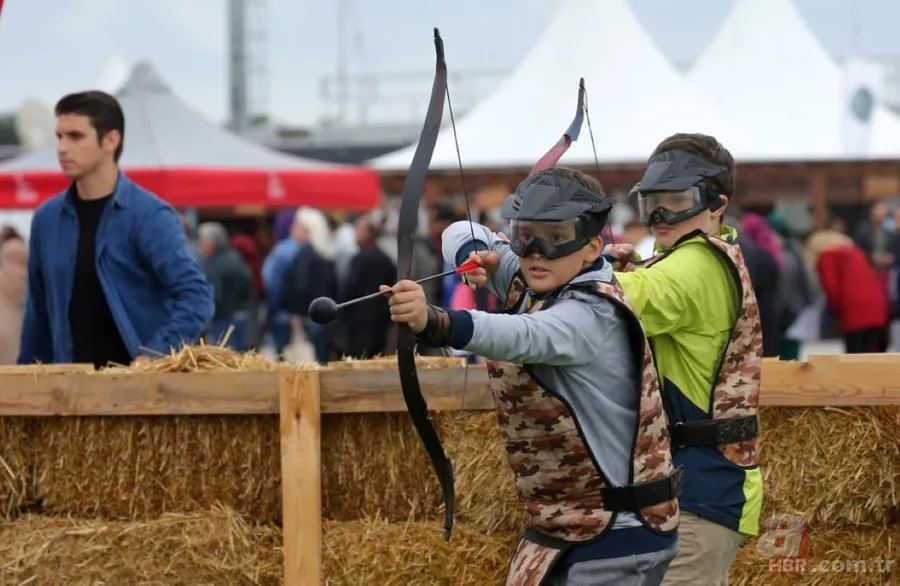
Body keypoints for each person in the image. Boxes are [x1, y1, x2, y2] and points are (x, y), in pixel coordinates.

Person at [386, 167, 682, 585]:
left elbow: (523, 335)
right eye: (525, 236)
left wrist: (433, 321)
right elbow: (458, 231)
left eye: (557, 236)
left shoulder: (592, 313)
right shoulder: (540, 276)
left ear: (591, 246)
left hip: (617, 537)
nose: (537, 252)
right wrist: (476, 251)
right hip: (568, 530)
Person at [604, 134, 762, 586]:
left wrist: (527, 262)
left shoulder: (697, 262)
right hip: (692, 492)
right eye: (651, 202)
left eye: (676, 201)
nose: (659, 215)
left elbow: (604, 298)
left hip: (701, 495)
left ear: (716, 204)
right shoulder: (689, 258)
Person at [19, 91, 213, 368]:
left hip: (139, 387)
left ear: (111, 140)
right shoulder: (46, 220)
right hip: (69, 387)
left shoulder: (149, 216)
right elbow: (37, 317)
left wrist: (155, 355)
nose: (62, 148)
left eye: (75, 136)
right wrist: (27, 380)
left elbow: (196, 297)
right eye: (59, 136)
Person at [335, 211, 397, 359]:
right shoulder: (385, 257)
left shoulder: (360, 258)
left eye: (359, 230)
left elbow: (349, 289)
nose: (355, 234)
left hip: (358, 320)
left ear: (368, 233)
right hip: (380, 321)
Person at [280, 207, 338, 364]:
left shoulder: (305, 254)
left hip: (307, 316)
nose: (293, 229)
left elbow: (300, 286)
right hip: (323, 315)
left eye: (296, 225)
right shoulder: (325, 253)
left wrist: (295, 312)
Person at [197, 222, 253, 351]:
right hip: (240, 315)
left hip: (223, 319)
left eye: (203, 242)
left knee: (225, 356)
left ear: (212, 243)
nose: (200, 246)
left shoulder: (215, 264)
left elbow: (214, 295)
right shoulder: (234, 257)